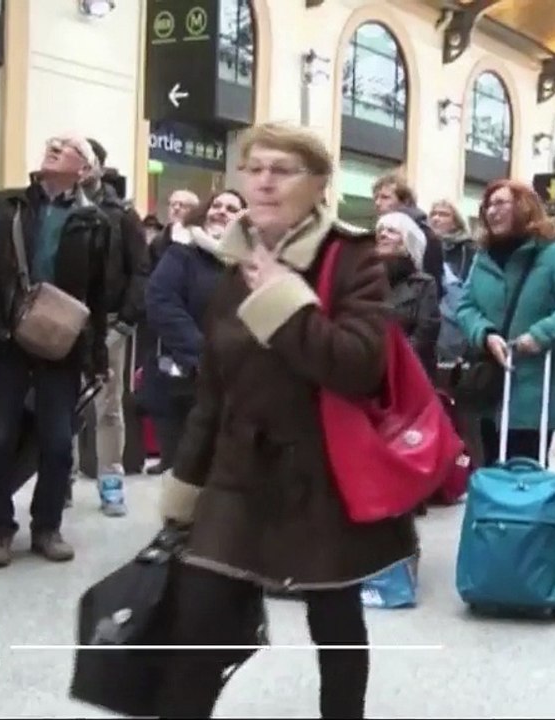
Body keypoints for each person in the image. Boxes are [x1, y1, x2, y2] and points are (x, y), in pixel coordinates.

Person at [155, 123, 418, 718]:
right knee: (198, 623)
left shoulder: (352, 260)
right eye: (255, 168)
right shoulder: (231, 261)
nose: (265, 181)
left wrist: (283, 299)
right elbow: (213, 391)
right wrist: (185, 484)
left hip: (320, 471)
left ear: (319, 184)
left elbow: (358, 365)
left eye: (283, 169)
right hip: (237, 471)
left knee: (334, 620)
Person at [0, 133, 112, 568]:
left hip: (60, 342)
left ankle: (46, 527)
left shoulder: (94, 221)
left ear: (84, 169)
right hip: (3, 337)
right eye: (51, 142)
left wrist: (96, 355)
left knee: (58, 441)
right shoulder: (6, 204)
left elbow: (98, 295)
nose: (53, 145)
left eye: (67, 145)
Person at [455, 179, 555, 464]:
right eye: (487, 205)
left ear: (523, 207)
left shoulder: (554, 254)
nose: (491, 211)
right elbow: (465, 306)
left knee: (525, 474)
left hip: (536, 388)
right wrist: (485, 334)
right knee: (490, 470)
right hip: (490, 387)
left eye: (500, 203)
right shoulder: (482, 258)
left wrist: (542, 334)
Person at [144, 190, 244, 470]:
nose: (222, 211)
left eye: (232, 209)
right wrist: (201, 353)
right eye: (216, 205)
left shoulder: (251, 262)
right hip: (185, 379)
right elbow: (161, 301)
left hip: (234, 381)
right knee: (185, 470)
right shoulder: (182, 251)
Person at [84, 138, 151, 517]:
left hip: (108, 321)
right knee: (59, 405)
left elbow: (140, 268)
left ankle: (111, 481)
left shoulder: (122, 213)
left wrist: (126, 320)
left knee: (107, 406)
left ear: (98, 166)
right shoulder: (51, 208)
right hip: (61, 321)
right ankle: (57, 482)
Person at [375, 211, 440, 377]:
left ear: (408, 241)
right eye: (380, 230)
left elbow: (425, 333)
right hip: (369, 374)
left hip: (408, 374)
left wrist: (392, 360)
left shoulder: (424, 285)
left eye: (391, 231)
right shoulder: (367, 280)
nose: (383, 234)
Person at [371, 173, 445, 291]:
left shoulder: (425, 234)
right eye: (376, 198)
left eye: (385, 197)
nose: (377, 203)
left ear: (405, 201)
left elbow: (434, 285)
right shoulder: (379, 231)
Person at [428, 198, 475, 281]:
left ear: (455, 223)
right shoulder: (424, 245)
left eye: (443, 214)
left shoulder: (468, 247)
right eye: (433, 214)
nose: (436, 218)